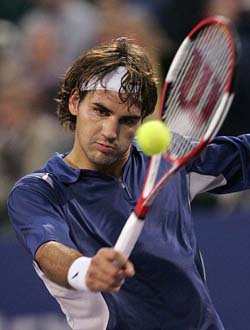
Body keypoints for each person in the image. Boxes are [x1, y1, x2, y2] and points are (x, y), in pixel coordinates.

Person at [7, 37, 250, 330]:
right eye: (100, 111)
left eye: (128, 120)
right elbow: (48, 250)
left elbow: (243, 155)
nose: (110, 131)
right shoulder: (38, 191)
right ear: (74, 102)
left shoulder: (167, 158)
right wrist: (86, 269)